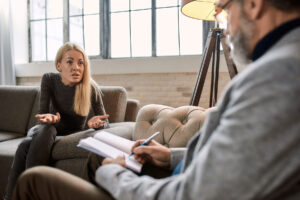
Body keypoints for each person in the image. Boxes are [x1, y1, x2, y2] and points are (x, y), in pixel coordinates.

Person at [12, 0, 300, 199]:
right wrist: (170, 155)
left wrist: (115, 176)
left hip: (181, 188)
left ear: (254, 3)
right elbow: (243, 161)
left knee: (35, 181)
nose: (227, 26)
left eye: (224, 10)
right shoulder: (279, 65)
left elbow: (193, 194)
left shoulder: (277, 75)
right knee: (76, 153)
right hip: (184, 172)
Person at [3, 42, 109, 200]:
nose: (76, 67)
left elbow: (105, 122)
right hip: (44, 131)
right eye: (70, 62)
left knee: (25, 145)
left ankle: (20, 194)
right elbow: (42, 114)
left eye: (81, 63)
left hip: (67, 137)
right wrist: (47, 119)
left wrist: (97, 124)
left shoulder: (90, 88)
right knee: (47, 129)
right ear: (59, 65)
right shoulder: (49, 79)